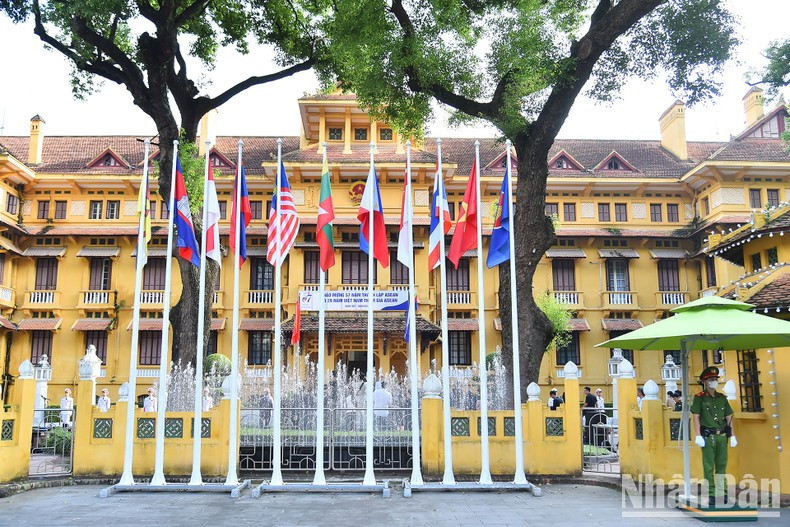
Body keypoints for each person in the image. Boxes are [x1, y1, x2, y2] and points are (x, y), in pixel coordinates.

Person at [691, 366, 737, 507]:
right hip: (708, 436)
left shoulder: (722, 398)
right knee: (709, 466)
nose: (714, 381)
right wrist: (698, 435)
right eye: (711, 379)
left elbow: (729, 417)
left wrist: (733, 435)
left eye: (715, 379)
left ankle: (721, 493)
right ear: (705, 381)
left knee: (722, 466)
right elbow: (696, 417)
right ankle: (711, 494)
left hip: (722, 436)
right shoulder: (699, 398)